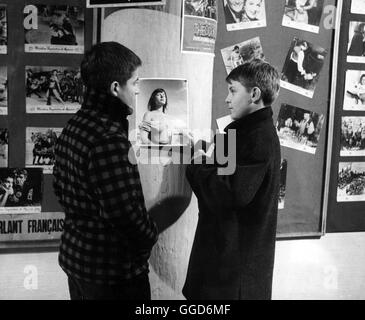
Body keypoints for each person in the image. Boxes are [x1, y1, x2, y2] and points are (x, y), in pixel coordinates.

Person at [53, 41, 158, 300]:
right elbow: (124, 215)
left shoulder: (74, 125)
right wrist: (150, 238)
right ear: (115, 88)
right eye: (134, 83)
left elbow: (59, 188)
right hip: (111, 273)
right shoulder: (109, 138)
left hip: (77, 259)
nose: (137, 91)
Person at [183, 59, 281, 300]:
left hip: (234, 269)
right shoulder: (241, 130)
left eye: (233, 90)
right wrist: (199, 150)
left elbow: (229, 193)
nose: (227, 99)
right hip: (222, 255)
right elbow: (220, 171)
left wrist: (195, 162)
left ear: (254, 94)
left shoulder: (259, 138)